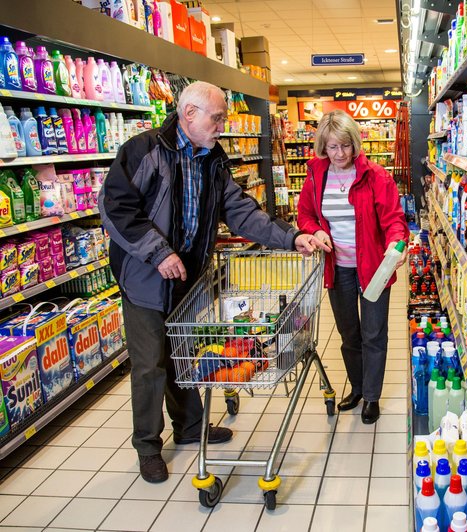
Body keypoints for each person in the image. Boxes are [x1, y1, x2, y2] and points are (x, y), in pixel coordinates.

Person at [98, 81, 329, 483]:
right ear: (189, 114)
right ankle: (148, 447)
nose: (223, 124)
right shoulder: (145, 150)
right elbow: (115, 208)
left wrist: (292, 237)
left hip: (190, 277)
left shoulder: (213, 160)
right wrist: (158, 252)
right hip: (146, 278)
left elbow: (242, 212)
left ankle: (190, 428)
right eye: (217, 117)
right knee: (151, 363)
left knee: (185, 357)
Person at [297, 109, 409, 425]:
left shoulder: (376, 176)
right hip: (338, 268)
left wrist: (395, 243)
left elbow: (394, 220)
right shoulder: (316, 176)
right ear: (323, 147)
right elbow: (304, 214)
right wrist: (315, 230)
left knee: (374, 334)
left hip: (373, 268)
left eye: (345, 146)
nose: (340, 153)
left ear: (355, 143)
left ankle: (371, 397)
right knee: (349, 333)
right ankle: (357, 387)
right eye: (333, 147)